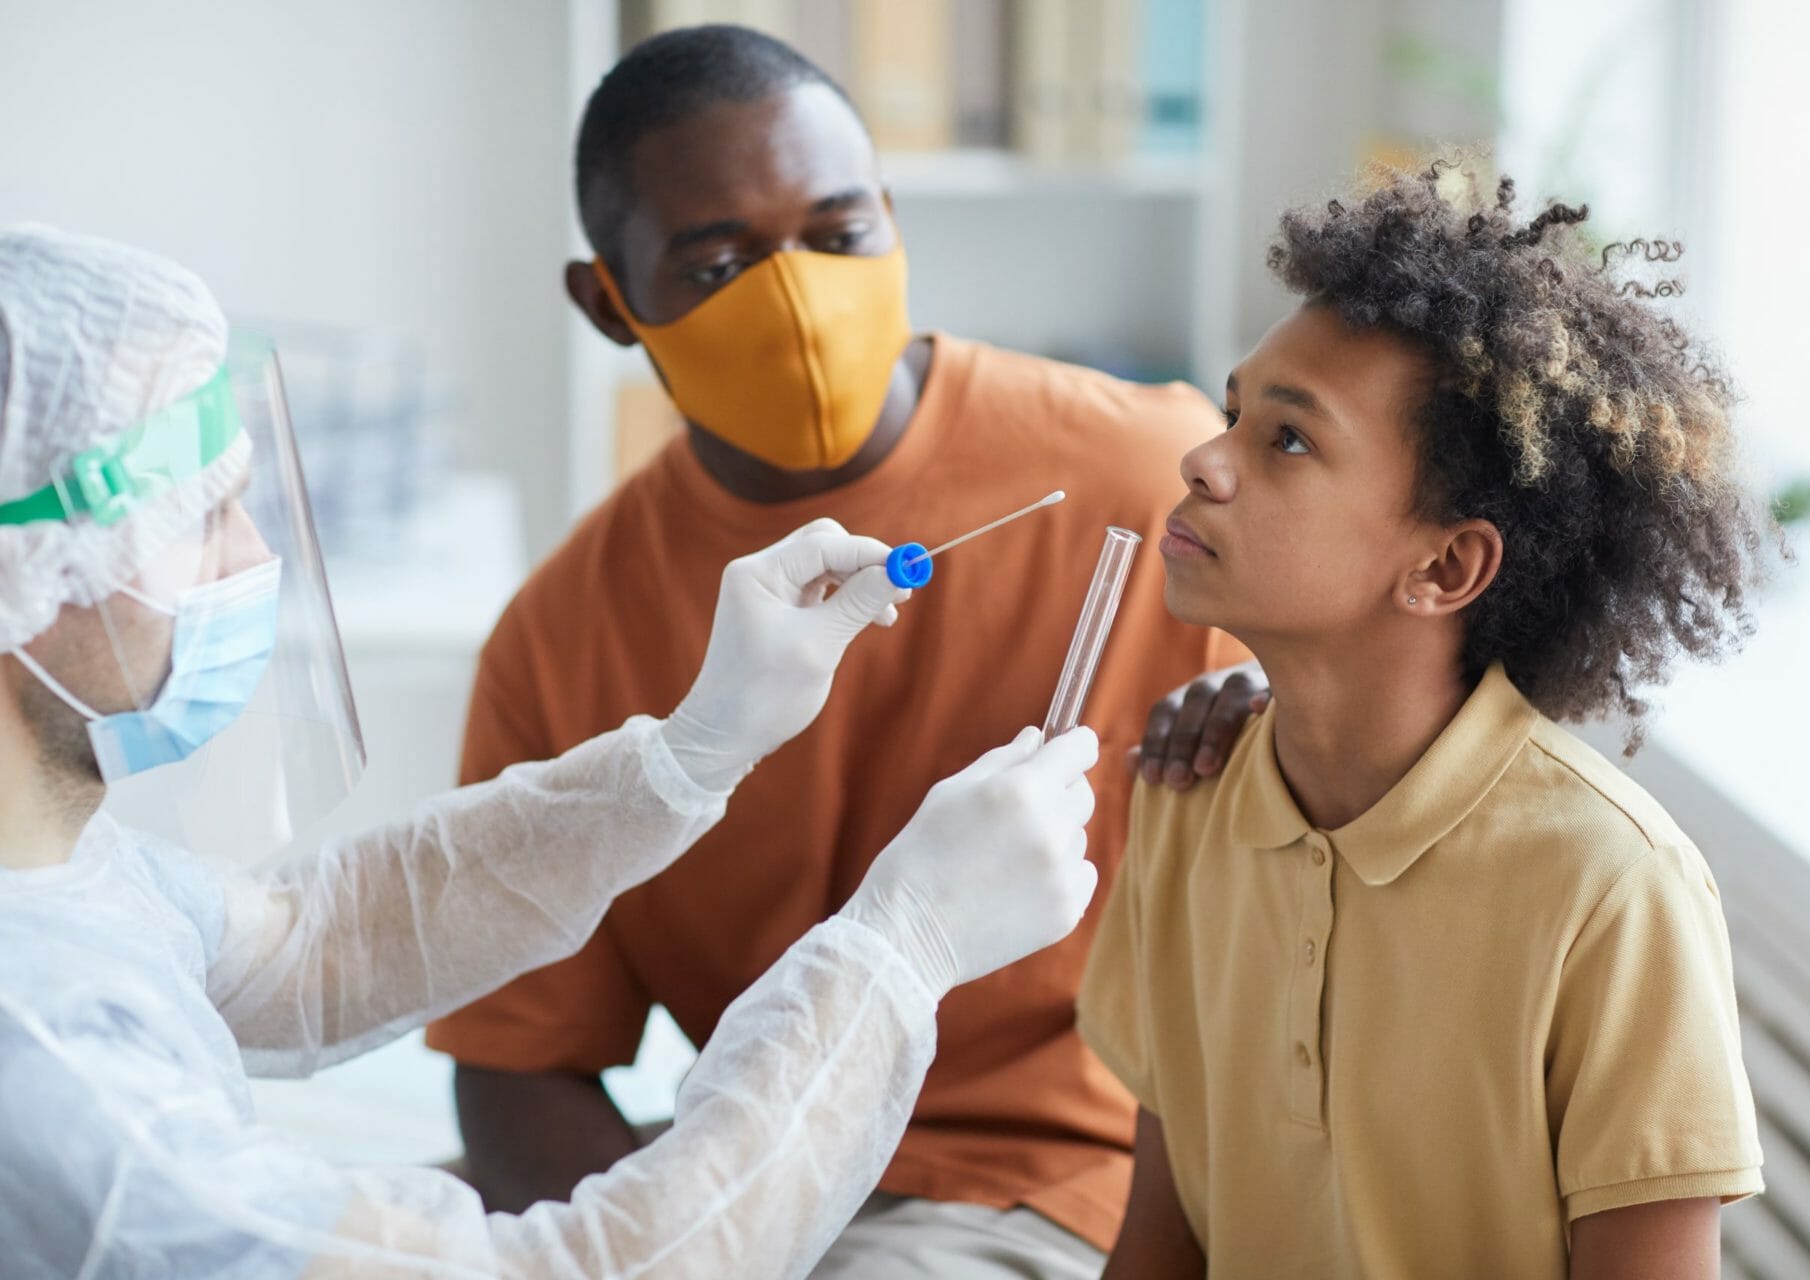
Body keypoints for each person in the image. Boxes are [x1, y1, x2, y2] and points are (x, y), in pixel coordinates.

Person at [0, 224, 1109, 1279]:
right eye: (197, 515)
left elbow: (312, 941)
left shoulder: (57, 874)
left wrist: (693, 751)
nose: (253, 556)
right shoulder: (51, 1072)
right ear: (23, 579)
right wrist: (902, 945)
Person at [423, 25, 1253, 1275]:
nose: (799, 294)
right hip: (747, 1171)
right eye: (718, 259)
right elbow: (515, 1066)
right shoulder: (565, 630)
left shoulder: (1147, 489)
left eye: (838, 233)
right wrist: (674, 1238)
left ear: (893, 219)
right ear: (609, 303)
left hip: (1050, 1179)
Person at [1077, 163, 1772, 1279]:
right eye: (1233, 412)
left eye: (1287, 441)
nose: (1203, 461)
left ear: (1445, 564)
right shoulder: (1187, 796)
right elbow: (1161, 1240)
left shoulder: (1612, 887)